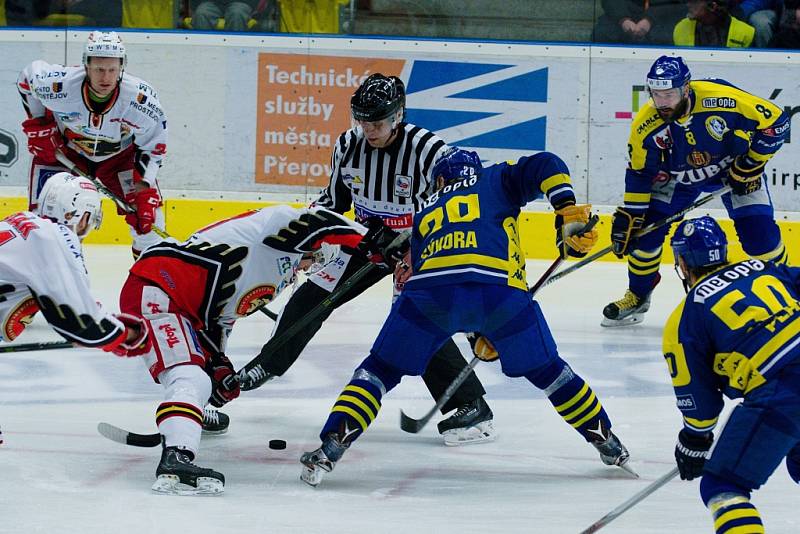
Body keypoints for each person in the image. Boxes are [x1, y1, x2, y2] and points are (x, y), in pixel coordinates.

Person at [298, 147, 635, 487]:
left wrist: (475, 324)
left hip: (430, 295)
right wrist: (566, 211)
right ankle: (606, 440)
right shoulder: (494, 178)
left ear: (440, 179)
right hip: (499, 295)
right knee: (552, 373)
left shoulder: (426, 208)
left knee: (378, 371)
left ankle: (331, 445)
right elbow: (548, 163)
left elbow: (433, 270)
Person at [237, 73, 499, 446]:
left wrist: (426, 240)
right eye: (362, 120)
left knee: (415, 318)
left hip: (417, 244)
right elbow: (333, 202)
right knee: (312, 296)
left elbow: (463, 187)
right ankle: (269, 362)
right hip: (365, 238)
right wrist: (309, 239)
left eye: (376, 122)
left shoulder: (426, 148)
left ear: (398, 115)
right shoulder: (348, 144)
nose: (368, 129)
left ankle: (471, 405)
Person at [115, 204, 373, 495]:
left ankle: (185, 427)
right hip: (157, 289)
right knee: (189, 378)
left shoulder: (275, 279)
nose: (305, 269)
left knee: (201, 377)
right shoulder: (272, 231)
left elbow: (218, 323)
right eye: (310, 261)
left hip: (179, 306)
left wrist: (219, 368)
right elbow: (317, 221)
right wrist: (370, 240)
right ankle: (176, 458)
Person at [602, 55, 790, 327]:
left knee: (760, 237)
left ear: (686, 88)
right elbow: (640, 173)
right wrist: (632, 214)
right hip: (680, 179)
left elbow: (778, 122)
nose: (662, 102)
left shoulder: (722, 99)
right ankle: (639, 295)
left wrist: (751, 164)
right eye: (656, 94)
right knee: (645, 234)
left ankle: (787, 291)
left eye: (669, 94)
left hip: (733, 171)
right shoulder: (646, 125)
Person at [663, 215, 800, 534]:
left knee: (723, 486)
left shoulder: (685, 318)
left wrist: (694, 439)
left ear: (682, 262)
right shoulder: (766, 268)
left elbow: (700, 402)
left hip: (783, 391)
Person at [17, 31, 168, 258]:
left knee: (150, 223)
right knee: (47, 224)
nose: (105, 78)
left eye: (111, 69)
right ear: (86, 66)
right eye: (98, 69)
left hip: (120, 160)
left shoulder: (141, 101)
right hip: (64, 153)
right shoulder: (60, 84)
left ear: (121, 67)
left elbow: (153, 147)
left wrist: (143, 190)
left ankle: (150, 285)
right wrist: (40, 125)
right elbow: (27, 78)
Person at [0, 172, 141, 351]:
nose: (87, 223)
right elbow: (81, 322)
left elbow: (72, 298)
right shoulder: (56, 237)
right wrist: (127, 335)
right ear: (73, 213)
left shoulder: (22, 222)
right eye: (88, 215)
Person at [593, 0, 685, 45]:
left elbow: (678, 4)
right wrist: (623, 19)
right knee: (602, 33)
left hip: (662, 18)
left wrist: (650, 19)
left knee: (665, 37)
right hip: (624, 16)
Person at [673, 0, 756, 47]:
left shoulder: (746, 33)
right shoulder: (681, 28)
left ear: (712, 6)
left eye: (694, 1)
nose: (688, 4)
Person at [191, 0, 258, 31]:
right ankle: (204, 52)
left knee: (237, 14)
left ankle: (235, 52)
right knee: (201, 13)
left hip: (241, 1)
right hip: (210, 2)